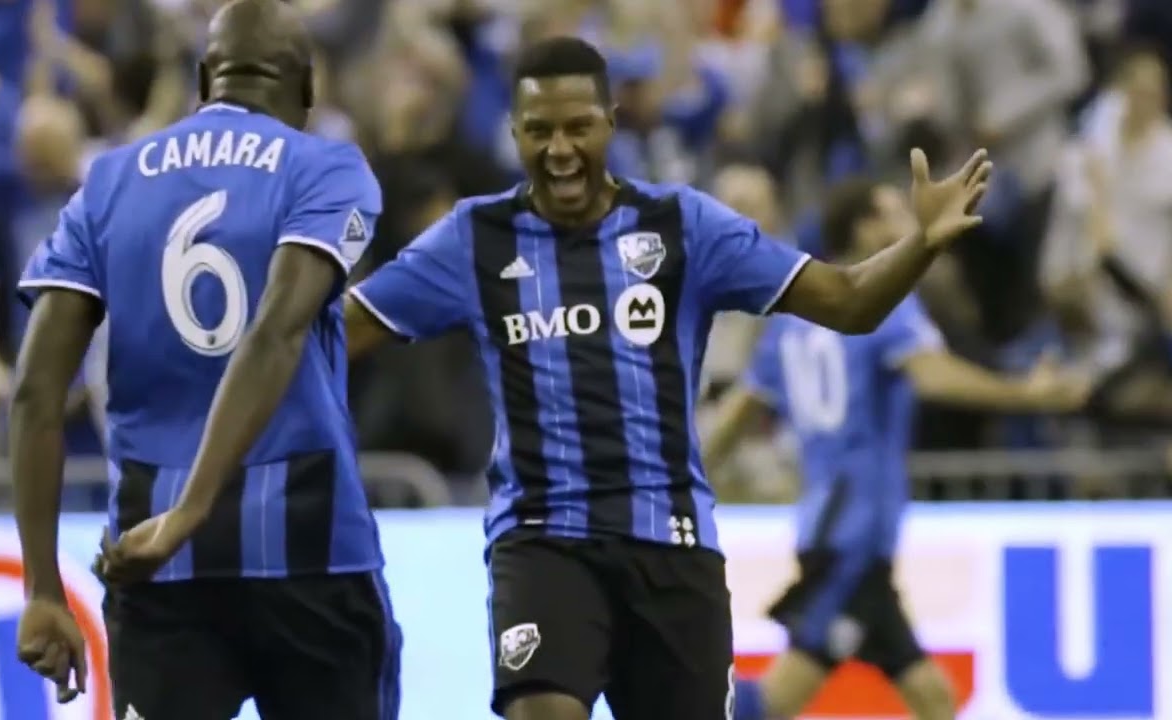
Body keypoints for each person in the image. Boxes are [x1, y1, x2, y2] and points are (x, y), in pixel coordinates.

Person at [342, 35, 992, 720]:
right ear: (514, 135)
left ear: (610, 125)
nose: (559, 148)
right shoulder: (475, 238)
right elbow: (335, 329)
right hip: (542, 537)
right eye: (539, 131)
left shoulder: (684, 225)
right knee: (543, 711)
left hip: (671, 543)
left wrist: (919, 246)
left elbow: (847, 300)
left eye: (577, 127)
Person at [10, 2, 399, 719]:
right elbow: (276, 331)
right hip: (311, 556)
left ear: (202, 79)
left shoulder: (108, 183)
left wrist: (40, 589)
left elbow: (35, 390)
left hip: (155, 568)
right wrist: (194, 510)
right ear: (307, 88)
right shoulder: (327, 168)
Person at [701, 178, 1091, 720]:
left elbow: (730, 424)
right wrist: (1026, 394)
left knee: (931, 698)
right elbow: (930, 376)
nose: (907, 223)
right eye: (890, 214)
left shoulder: (787, 327)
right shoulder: (883, 306)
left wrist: (679, 476)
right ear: (862, 230)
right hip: (852, 538)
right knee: (772, 704)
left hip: (832, 531)